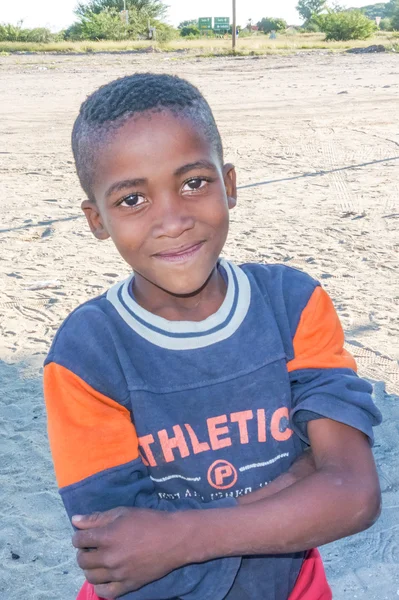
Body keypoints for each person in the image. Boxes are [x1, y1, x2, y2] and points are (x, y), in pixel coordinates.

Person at [43, 73, 382, 600]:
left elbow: (353, 495)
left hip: (294, 585)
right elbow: (118, 555)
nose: (172, 220)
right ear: (97, 220)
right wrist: (295, 488)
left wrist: (176, 535)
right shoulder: (86, 355)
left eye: (193, 182)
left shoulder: (293, 304)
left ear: (229, 184)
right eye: (133, 199)